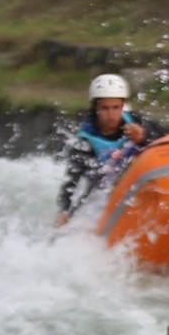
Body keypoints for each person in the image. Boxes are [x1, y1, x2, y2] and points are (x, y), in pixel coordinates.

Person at [56, 74, 163, 226]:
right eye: (105, 108)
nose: (111, 115)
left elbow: (165, 135)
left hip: (136, 180)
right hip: (102, 191)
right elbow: (71, 182)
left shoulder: (135, 121)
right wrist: (64, 211)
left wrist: (144, 135)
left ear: (122, 106)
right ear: (95, 108)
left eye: (116, 108)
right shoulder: (84, 142)